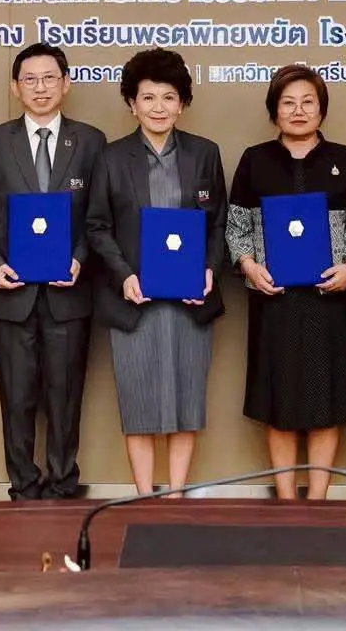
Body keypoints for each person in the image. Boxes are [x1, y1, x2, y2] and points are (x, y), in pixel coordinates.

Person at [226, 65, 346, 500]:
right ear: (274, 111)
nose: (298, 110)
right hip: (274, 300)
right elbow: (236, 227)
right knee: (280, 402)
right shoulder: (255, 160)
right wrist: (249, 266)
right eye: (288, 103)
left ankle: (318, 499)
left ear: (322, 109)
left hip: (331, 301)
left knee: (327, 401)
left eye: (308, 102)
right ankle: (287, 501)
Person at [86, 48, 227, 495]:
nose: (159, 107)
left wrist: (210, 270)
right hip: (134, 301)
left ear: (182, 103)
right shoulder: (111, 157)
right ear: (132, 104)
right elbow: (97, 225)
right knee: (139, 403)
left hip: (190, 301)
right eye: (148, 98)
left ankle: (178, 495)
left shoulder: (205, 153)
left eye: (169, 97)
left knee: (187, 400)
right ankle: (146, 497)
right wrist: (124, 275)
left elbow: (218, 222)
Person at [0, 43, 106, 501]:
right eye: (29, 79)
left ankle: (64, 483)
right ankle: (24, 486)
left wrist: (80, 258)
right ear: (15, 87)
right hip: (12, 293)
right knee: (16, 397)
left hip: (69, 292)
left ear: (66, 84)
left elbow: (98, 216)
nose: (40, 87)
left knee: (66, 397)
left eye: (50, 78)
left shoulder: (91, 141)